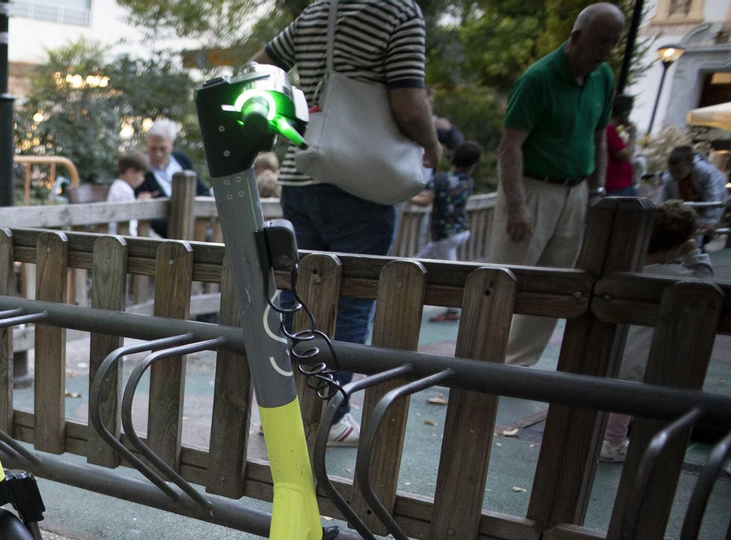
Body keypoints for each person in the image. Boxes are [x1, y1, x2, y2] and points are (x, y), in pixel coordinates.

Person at [252, 0, 440, 446]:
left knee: (294, 297)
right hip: (360, 180)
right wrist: (432, 143)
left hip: (304, 173)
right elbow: (409, 103)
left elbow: (260, 67)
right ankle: (332, 414)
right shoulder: (398, 12)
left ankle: (283, 410)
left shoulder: (319, 10)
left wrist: (297, 115)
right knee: (352, 299)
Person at [489, 4, 627, 368]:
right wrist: (517, 205)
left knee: (558, 283)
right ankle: (482, 360)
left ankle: (519, 364)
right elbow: (510, 145)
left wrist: (597, 192)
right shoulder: (539, 78)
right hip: (532, 187)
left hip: (577, 189)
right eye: (600, 41)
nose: (606, 50)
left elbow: (598, 138)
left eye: (613, 42)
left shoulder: (603, 77)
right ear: (577, 37)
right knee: (504, 279)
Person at [600, 202, 712, 462]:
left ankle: (611, 442)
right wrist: (694, 252)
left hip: (615, 352)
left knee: (617, 401)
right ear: (674, 247)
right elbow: (707, 282)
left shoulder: (624, 269)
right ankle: (623, 444)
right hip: (650, 358)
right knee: (642, 403)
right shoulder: (679, 276)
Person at [411, 140, 482, 321]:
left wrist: (405, 197)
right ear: (473, 165)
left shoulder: (442, 179)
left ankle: (453, 310)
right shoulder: (468, 181)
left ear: (453, 157)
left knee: (450, 271)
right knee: (420, 260)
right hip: (462, 231)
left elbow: (425, 200)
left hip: (445, 234)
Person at [135, 119, 209, 237]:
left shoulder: (181, 161)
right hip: (166, 234)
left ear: (171, 145)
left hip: (197, 226)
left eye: (163, 149)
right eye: (153, 149)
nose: (158, 154)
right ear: (146, 145)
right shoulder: (140, 170)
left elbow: (202, 191)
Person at [661, 144, 727, 238]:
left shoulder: (706, 173)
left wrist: (712, 220)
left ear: (691, 165)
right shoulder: (668, 177)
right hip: (691, 207)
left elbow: (713, 196)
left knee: (701, 234)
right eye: (672, 172)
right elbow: (664, 199)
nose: (675, 176)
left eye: (679, 172)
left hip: (708, 203)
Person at [106, 150, 152, 236]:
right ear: (130, 172)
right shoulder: (124, 191)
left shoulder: (119, 187)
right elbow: (130, 224)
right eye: (142, 174)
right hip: (121, 236)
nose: (143, 179)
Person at [605, 94, 638, 197]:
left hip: (621, 186)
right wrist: (633, 135)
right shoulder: (609, 130)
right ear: (624, 112)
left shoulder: (612, 131)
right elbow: (625, 155)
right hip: (617, 187)